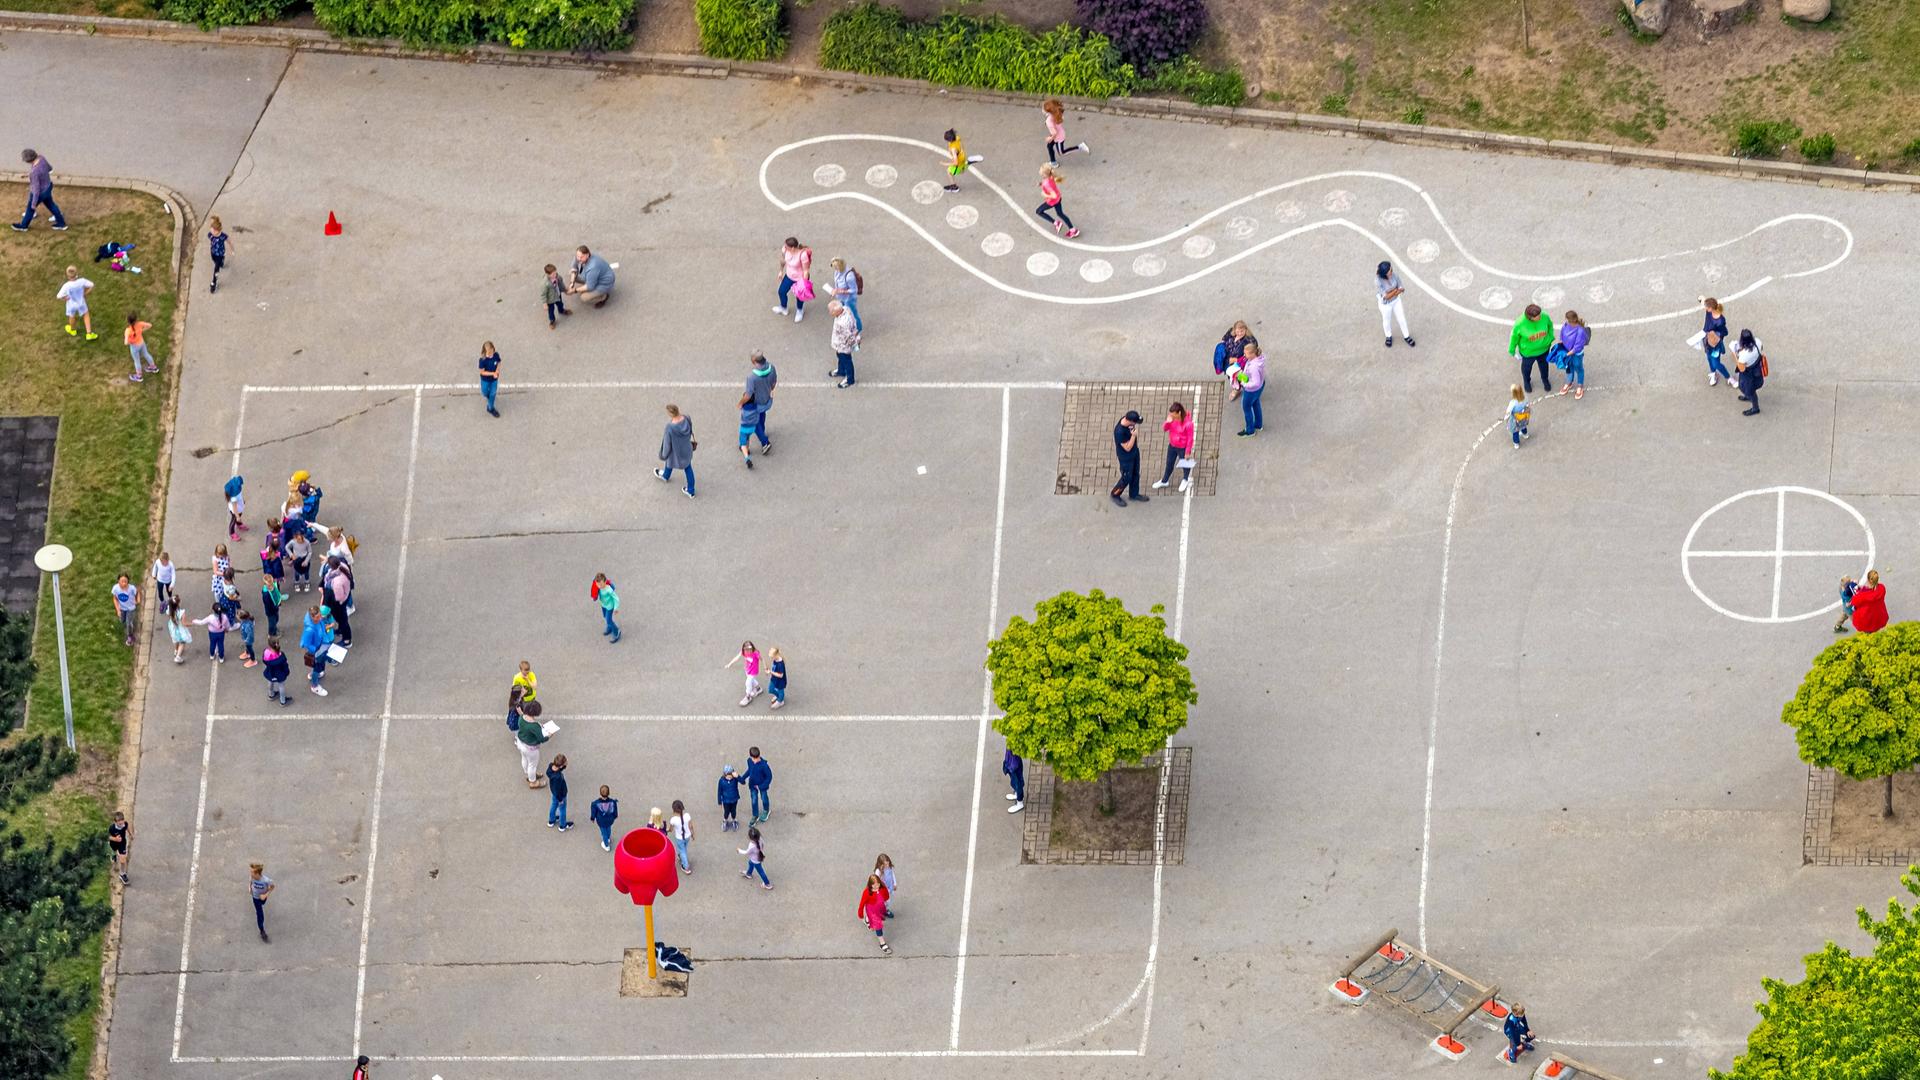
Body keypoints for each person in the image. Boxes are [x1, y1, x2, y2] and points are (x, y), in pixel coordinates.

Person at [14, 149, 67, 231]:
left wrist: (34, 203)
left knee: (30, 208)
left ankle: (23, 226)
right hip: (48, 187)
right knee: (51, 205)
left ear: (28, 160)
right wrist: (30, 175)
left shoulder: (34, 172)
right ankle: (61, 223)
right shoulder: (41, 158)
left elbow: (36, 189)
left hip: (40, 193)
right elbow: (49, 168)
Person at [1509, 304, 1554, 394]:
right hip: (1528, 353)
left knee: (1544, 366)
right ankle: (1527, 381)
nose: (1540, 317)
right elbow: (1514, 337)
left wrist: (1550, 338)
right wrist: (1512, 350)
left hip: (1544, 349)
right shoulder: (1520, 324)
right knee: (1526, 368)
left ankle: (1545, 379)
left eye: (1540, 315)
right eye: (1537, 317)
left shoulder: (1544, 316)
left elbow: (1550, 325)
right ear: (1530, 318)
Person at [654, 404, 696, 498]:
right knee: (688, 468)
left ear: (670, 414)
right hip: (687, 448)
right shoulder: (686, 417)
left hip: (676, 451)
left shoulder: (670, 427)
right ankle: (690, 490)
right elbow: (690, 431)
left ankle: (665, 476)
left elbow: (667, 444)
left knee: (669, 460)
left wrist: (663, 455)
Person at [1153, 402, 1195, 492]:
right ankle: (1164, 481)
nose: (1172, 416)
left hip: (1182, 448)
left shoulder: (1188, 424)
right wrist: (1167, 423)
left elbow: (1190, 439)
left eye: (1173, 415)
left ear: (1179, 413)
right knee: (1169, 463)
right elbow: (1165, 429)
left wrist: (1187, 452)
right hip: (1172, 445)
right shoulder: (1172, 419)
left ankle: (1185, 479)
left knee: (1185, 464)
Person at [1110, 410, 1145, 508]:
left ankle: (1134, 494)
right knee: (1126, 478)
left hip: (1134, 453)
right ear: (1130, 421)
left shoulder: (1128, 421)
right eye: (1135, 422)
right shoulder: (1119, 432)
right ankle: (1115, 494)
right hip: (1126, 458)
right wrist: (1133, 436)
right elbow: (1127, 447)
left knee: (1135, 474)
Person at [745, 351, 778, 454]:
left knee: (754, 423)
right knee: (762, 416)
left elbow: (748, 394)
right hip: (767, 400)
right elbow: (774, 383)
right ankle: (762, 432)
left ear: (754, 360)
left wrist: (741, 403)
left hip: (756, 403)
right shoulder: (771, 368)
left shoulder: (752, 377)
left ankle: (765, 442)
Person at [1376, 261, 1414, 348]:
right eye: (1389, 270)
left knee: (1402, 318)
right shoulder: (1378, 281)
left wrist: (1392, 292)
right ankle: (1388, 336)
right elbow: (1386, 297)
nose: (1391, 271)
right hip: (1386, 305)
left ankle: (1406, 336)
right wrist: (1396, 291)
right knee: (1387, 320)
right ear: (1384, 274)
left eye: (1391, 269)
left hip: (1396, 301)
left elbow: (1401, 287)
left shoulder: (1394, 275)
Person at [1234, 341, 1268, 437]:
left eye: (1246, 354)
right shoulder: (1259, 359)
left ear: (1253, 354)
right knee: (1256, 403)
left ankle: (1250, 430)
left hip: (1252, 390)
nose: (1244, 355)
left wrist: (1244, 383)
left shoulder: (1253, 367)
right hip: (1260, 386)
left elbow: (1255, 382)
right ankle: (1258, 424)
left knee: (1247, 407)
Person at [1035, 164, 1079, 238]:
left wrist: (1045, 195)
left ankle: (1056, 223)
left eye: (1040, 170)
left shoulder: (1046, 183)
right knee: (1060, 214)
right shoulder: (1050, 177)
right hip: (1058, 198)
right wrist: (1041, 184)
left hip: (1052, 201)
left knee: (1038, 211)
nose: (1039, 171)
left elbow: (1053, 195)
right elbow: (1049, 184)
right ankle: (1073, 230)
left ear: (1044, 174)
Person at [774, 237, 812, 322]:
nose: (784, 247)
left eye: (786, 246)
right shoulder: (785, 250)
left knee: (799, 296)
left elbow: (806, 270)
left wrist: (804, 283)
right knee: (781, 291)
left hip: (800, 278)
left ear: (793, 248)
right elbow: (783, 261)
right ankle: (783, 308)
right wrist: (780, 271)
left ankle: (799, 310)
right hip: (789, 276)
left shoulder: (802, 255)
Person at [1041, 99, 1089, 163]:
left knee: (1061, 152)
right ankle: (1053, 162)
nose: (1042, 110)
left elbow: (1054, 133)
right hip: (1060, 133)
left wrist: (1050, 138)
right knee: (1049, 146)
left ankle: (1080, 147)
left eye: (1044, 109)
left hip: (1058, 138)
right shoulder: (1058, 114)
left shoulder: (1049, 121)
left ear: (1049, 112)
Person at [300, 604, 333, 696]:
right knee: (317, 668)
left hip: (322, 647)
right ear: (312, 617)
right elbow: (305, 643)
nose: (320, 618)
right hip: (317, 651)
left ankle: (314, 675)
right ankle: (315, 686)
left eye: (320, 615)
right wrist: (316, 650)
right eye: (318, 616)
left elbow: (322, 632)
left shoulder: (319, 621)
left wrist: (326, 643)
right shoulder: (309, 630)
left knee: (319, 665)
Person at [1699, 297, 1732, 387]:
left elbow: (1725, 332)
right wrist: (1701, 298)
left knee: (1716, 363)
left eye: (1706, 307)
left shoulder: (1720, 320)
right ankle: (1713, 373)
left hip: (1715, 344)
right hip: (1707, 340)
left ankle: (1729, 378)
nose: (1705, 308)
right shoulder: (1709, 312)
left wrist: (1715, 334)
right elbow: (1703, 300)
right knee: (1709, 358)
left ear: (1710, 308)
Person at [58, 266, 96, 341]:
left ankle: (72, 330)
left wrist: (65, 298)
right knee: (86, 315)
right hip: (81, 302)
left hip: (71, 304)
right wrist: (85, 293)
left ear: (68, 276)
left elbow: (58, 296)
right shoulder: (82, 281)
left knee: (71, 316)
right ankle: (89, 334)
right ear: (77, 274)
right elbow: (92, 285)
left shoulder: (66, 285)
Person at [516, 701, 549, 788]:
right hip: (530, 748)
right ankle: (533, 782)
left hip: (521, 743)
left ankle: (529, 775)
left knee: (524, 758)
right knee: (532, 765)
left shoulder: (522, 717)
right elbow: (542, 739)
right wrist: (550, 735)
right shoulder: (534, 726)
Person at [1558, 311, 1590, 399]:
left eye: (1567, 320)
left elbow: (1577, 347)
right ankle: (1569, 382)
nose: (1566, 321)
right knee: (1569, 367)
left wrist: (1566, 354)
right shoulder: (1565, 325)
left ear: (1571, 320)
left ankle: (1580, 386)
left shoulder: (1580, 331)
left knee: (1578, 368)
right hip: (1567, 352)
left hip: (1576, 354)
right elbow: (1562, 335)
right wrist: (1560, 344)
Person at [857, 872, 892, 954]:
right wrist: (860, 913)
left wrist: (886, 898)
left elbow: (886, 893)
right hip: (872, 910)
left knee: (879, 917)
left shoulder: (881, 888)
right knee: (878, 925)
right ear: (870, 885)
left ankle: (867, 920)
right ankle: (882, 943)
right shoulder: (867, 892)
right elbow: (862, 903)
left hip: (880, 908)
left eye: (878, 884)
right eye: (874, 885)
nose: (876, 886)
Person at [1733, 329, 1764, 416]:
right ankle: (1748, 396)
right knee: (1751, 388)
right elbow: (1761, 348)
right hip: (1757, 369)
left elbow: (1741, 368)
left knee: (1750, 390)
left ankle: (1755, 408)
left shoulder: (1744, 354)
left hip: (1748, 373)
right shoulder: (1757, 342)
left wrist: (1734, 354)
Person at [829, 300, 860, 388]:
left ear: (836, 312)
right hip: (840, 345)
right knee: (840, 357)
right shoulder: (846, 309)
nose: (830, 312)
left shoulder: (842, 323)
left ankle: (850, 380)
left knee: (846, 361)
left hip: (843, 346)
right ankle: (841, 370)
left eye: (831, 311)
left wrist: (854, 344)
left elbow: (849, 337)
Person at [828, 258, 863, 334]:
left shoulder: (849, 276)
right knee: (843, 313)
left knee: (853, 315)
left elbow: (853, 290)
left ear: (840, 266)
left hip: (849, 299)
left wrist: (839, 291)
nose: (835, 269)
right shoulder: (837, 272)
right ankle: (848, 327)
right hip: (841, 297)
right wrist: (835, 291)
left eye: (836, 267)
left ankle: (858, 329)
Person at [941, 128, 979, 193]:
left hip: (958, 162)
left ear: (949, 140)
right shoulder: (957, 138)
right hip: (962, 157)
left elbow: (955, 163)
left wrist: (945, 163)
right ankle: (968, 162)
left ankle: (954, 187)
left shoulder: (953, 149)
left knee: (949, 172)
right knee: (961, 170)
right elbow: (962, 146)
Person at [1849, 570, 1888, 634]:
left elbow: (1854, 601)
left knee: (1868, 633)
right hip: (1878, 616)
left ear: (1868, 580)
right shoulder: (1882, 588)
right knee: (1875, 630)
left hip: (1867, 619)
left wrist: (1856, 587)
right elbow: (1872, 591)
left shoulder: (1862, 595)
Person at [126, 312, 159, 383]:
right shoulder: (140, 324)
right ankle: (154, 368)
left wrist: (131, 341)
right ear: (136, 320)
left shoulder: (128, 330)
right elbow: (150, 325)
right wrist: (141, 331)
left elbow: (126, 342)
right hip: (141, 343)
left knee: (137, 361)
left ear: (128, 321)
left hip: (134, 347)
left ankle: (139, 376)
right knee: (146, 354)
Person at [745, 747, 772, 824]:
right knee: (754, 800)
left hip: (761, 785)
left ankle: (766, 810)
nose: (753, 760)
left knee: (764, 798)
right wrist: (743, 777)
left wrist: (761, 786)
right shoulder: (749, 761)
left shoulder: (764, 766)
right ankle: (755, 815)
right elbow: (750, 770)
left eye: (753, 758)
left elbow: (769, 777)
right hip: (753, 785)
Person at [591, 573, 621, 643]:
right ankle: (610, 627)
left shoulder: (608, 589)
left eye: (601, 584)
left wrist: (616, 607)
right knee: (605, 616)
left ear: (605, 581)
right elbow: (596, 592)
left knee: (608, 620)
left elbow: (616, 598)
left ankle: (617, 632)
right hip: (603, 605)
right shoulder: (598, 587)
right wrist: (594, 597)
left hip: (609, 607)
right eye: (598, 584)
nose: (600, 586)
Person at [262, 637, 292, 707]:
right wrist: (287, 672)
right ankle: (283, 701)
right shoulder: (281, 656)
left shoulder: (265, 652)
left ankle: (271, 695)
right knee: (281, 686)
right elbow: (285, 665)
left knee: (270, 682)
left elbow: (264, 661)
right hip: (280, 673)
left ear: (269, 645)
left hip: (270, 672)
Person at [249, 863, 275, 943]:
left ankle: (263, 900)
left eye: (252, 872)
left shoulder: (266, 880)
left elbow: (273, 886)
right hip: (255, 898)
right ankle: (262, 931)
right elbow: (250, 881)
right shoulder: (252, 877)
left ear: (257, 873)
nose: (250, 874)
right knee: (259, 913)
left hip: (263, 896)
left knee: (263, 903)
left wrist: (265, 894)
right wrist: (249, 888)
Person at [546, 754, 573, 831]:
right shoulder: (558, 777)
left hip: (554, 793)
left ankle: (551, 820)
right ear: (560, 766)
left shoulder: (551, 766)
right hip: (561, 795)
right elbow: (558, 790)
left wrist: (564, 766)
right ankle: (562, 825)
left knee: (553, 805)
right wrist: (560, 799)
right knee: (562, 809)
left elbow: (558, 769)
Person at [111, 574, 139, 647]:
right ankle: (130, 623)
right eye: (122, 581)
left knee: (128, 623)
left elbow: (137, 593)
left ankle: (130, 637)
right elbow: (115, 599)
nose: (123, 583)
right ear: (118, 581)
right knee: (122, 620)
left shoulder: (132, 588)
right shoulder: (115, 588)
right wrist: (118, 610)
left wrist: (138, 600)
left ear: (128, 582)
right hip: (122, 608)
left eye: (125, 581)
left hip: (131, 608)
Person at [668, 799, 695, 873]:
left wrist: (667, 830)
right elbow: (691, 826)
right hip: (687, 836)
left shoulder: (673, 820)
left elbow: (670, 829)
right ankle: (681, 855)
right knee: (684, 848)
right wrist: (693, 834)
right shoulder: (687, 815)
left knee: (682, 850)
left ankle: (686, 866)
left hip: (679, 838)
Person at [590, 785, 620, 851]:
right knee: (608, 828)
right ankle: (608, 838)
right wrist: (615, 816)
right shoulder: (612, 802)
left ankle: (606, 845)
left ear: (600, 793)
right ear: (609, 793)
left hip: (601, 821)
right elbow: (615, 811)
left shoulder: (596, 804)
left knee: (603, 833)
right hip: (610, 819)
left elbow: (593, 812)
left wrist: (592, 818)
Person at [736, 392, 760, 470]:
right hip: (752, 427)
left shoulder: (743, 408)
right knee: (748, 437)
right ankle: (748, 449)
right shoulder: (756, 407)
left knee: (742, 443)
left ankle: (747, 458)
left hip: (744, 428)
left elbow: (740, 407)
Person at [734, 641, 763, 706]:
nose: (748, 651)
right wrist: (730, 664)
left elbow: (762, 659)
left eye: (750, 649)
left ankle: (748, 697)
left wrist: (765, 667)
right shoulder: (744, 652)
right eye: (747, 649)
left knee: (748, 682)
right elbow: (737, 657)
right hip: (747, 670)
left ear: (752, 647)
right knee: (751, 680)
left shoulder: (755, 653)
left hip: (753, 672)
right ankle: (758, 689)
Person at [478, 341, 502, 418]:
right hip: (485, 380)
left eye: (491, 351)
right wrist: (493, 373)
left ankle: (490, 408)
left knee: (492, 394)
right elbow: (482, 372)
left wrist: (497, 370)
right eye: (488, 352)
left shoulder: (496, 355)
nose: (490, 354)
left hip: (494, 380)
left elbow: (499, 362)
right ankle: (488, 397)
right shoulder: (483, 360)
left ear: (493, 349)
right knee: (484, 392)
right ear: (484, 352)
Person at [541, 263, 569, 328]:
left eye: (555, 272)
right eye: (553, 274)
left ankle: (561, 310)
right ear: (548, 274)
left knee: (560, 304)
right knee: (551, 310)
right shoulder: (545, 283)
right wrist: (544, 303)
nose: (555, 274)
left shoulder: (558, 277)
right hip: (550, 299)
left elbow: (561, 284)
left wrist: (565, 290)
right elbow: (543, 294)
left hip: (557, 294)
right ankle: (552, 321)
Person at [165, 597, 191, 664]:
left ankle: (176, 650)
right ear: (178, 604)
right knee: (182, 642)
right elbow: (184, 623)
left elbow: (170, 616)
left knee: (176, 639)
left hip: (173, 627)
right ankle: (178, 657)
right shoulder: (181, 612)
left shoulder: (169, 610)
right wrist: (191, 623)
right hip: (180, 629)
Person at [108, 811, 132, 885]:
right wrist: (115, 839)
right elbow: (108, 837)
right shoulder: (112, 828)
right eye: (119, 822)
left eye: (122, 820)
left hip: (122, 843)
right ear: (115, 822)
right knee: (113, 853)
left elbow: (127, 827)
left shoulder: (125, 824)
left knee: (123, 859)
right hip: (114, 844)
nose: (121, 823)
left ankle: (122, 874)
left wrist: (131, 834)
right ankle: (114, 855)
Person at [206, 216, 230, 292]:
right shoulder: (210, 235)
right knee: (214, 260)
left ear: (217, 231)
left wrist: (232, 249)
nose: (211, 231)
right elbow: (211, 240)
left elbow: (229, 241)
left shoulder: (222, 236)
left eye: (212, 230)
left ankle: (214, 282)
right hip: (213, 252)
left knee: (216, 268)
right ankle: (221, 262)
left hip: (220, 254)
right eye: (211, 229)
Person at [718, 764, 743, 831]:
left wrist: (738, 776)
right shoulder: (721, 781)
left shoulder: (735, 779)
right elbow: (719, 791)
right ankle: (725, 821)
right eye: (728, 777)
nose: (729, 778)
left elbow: (743, 782)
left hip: (734, 799)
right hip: (726, 800)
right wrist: (719, 801)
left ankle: (734, 820)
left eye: (731, 776)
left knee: (733, 811)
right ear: (724, 775)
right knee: (726, 812)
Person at [1505, 384, 1531, 449]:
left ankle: (1516, 443)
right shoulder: (1525, 398)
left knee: (1515, 431)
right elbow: (1527, 405)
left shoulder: (1512, 403)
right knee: (1523, 426)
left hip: (1515, 419)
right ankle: (1525, 434)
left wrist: (1506, 420)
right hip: (1523, 417)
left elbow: (1508, 412)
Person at [874, 853, 898, 917]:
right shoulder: (878, 871)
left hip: (890, 887)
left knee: (889, 901)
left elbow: (892, 875)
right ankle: (878, 911)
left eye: (888, 863)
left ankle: (885, 910)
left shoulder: (889, 867)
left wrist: (895, 883)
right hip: (883, 891)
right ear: (881, 864)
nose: (887, 865)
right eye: (885, 864)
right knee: (883, 902)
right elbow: (876, 882)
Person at [1003, 748, 1025, 813]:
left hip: (1014, 764)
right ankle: (1016, 794)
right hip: (1011, 761)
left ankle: (1020, 802)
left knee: (1018, 783)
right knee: (1014, 781)